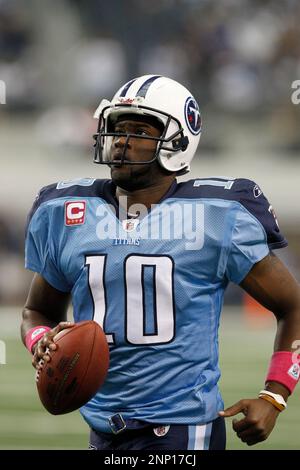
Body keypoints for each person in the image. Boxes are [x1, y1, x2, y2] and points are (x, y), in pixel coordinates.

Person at [21, 75, 300, 450]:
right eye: (117, 128)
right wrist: (40, 340)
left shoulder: (215, 216)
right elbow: (36, 311)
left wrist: (274, 396)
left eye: (138, 130)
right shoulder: (67, 212)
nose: (121, 140)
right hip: (103, 430)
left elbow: (293, 306)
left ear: (178, 142)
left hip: (183, 430)